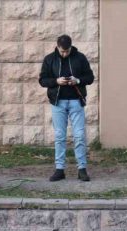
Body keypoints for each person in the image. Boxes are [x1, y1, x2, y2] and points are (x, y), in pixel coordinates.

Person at [39, 34, 95, 182]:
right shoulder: (50, 59)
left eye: (67, 51)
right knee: (59, 136)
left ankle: (82, 169)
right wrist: (56, 81)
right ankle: (59, 169)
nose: (64, 54)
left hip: (76, 101)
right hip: (58, 102)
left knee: (79, 135)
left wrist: (77, 80)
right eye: (62, 51)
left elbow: (90, 77)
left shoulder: (80, 58)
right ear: (57, 47)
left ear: (71, 47)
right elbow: (42, 80)